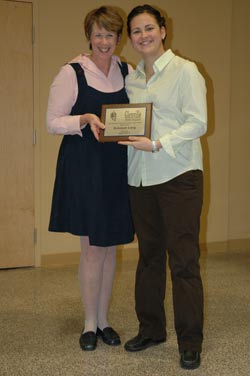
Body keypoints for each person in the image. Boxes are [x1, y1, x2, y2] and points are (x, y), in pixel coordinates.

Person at [119, 4, 207, 370]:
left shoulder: (186, 71)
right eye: (136, 31)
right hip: (140, 179)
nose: (143, 36)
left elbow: (198, 122)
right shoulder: (132, 79)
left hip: (178, 176)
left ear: (163, 30)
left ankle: (190, 341)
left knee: (183, 261)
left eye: (148, 28)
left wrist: (158, 143)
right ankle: (151, 328)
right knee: (149, 258)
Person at [46, 6, 134, 351]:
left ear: (118, 39)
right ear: (89, 36)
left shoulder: (126, 70)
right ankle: (88, 323)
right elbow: (53, 122)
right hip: (84, 165)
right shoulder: (72, 72)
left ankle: (105, 321)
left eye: (110, 35)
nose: (104, 41)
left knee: (110, 248)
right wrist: (83, 119)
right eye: (98, 34)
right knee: (93, 249)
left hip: (115, 166)